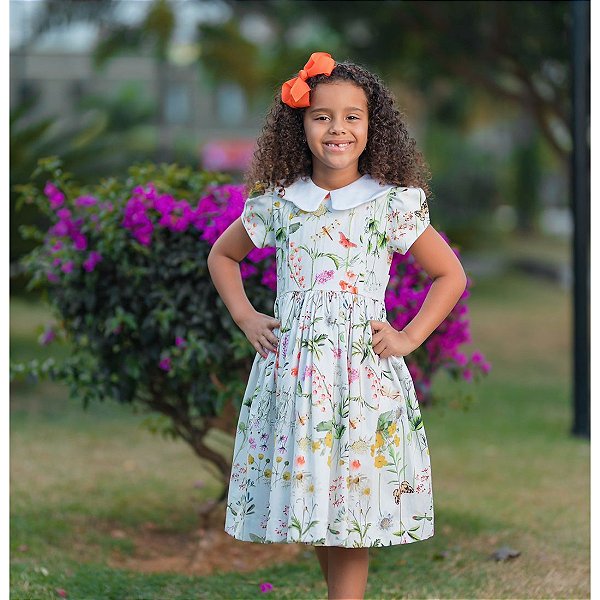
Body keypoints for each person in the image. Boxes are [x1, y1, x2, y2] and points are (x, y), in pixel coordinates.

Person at [207, 51, 467, 600]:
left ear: (372, 128)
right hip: (296, 376)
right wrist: (245, 315)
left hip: (359, 377)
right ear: (299, 124)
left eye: (353, 116)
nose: (338, 128)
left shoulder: (389, 204)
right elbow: (222, 256)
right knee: (319, 502)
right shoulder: (279, 204)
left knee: (350, 502)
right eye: (323, 115)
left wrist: (409, 337)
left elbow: (449, 275)